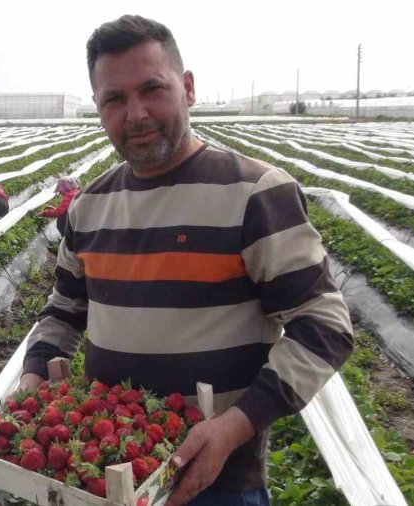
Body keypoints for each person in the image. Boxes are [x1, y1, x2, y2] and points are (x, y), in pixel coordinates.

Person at [19, 15, 353, 506]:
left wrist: (234, 428)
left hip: (217, 479)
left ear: (188, 88)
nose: (135, 114)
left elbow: (324, 324)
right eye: (114, 99)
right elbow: (64, 311)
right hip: (109, 469)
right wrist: (35, 373)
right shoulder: (90, 206)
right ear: (98, 107)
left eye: (152, 88)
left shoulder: (255, 193)